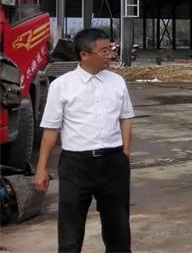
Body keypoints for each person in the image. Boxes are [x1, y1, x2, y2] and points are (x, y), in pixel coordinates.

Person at [34, 28, 135, 253]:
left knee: (118, 230)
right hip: (76, 165)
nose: (110, 55)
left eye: (111, 49)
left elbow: (125, 120)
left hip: (113, 163)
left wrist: (125, 155)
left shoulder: (117, 82)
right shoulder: (62, 86)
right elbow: (51, 129)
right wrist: (41, 169)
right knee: (70, 232)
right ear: (84, 55)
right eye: (104, 51)